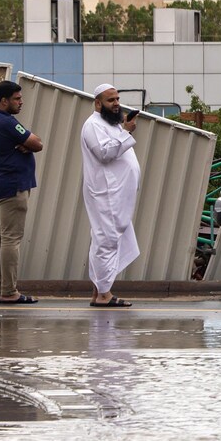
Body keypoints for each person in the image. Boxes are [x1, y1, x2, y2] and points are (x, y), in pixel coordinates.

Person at [80, 84, 140, 308]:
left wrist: (123, 130)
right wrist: (127, 132)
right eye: (110, 100)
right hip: (105, 193)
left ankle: (98, 292)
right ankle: (104, 294)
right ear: (98, 103)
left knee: (105, 240)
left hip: (115, 195)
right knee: (106, 241)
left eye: (117, 99)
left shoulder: (111, 124)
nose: (116, 104)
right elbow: (104, 153)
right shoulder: (92, 125)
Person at [0, 80, 43, 304]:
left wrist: (26, 144)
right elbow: (37, 143)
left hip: (0, 183)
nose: (21, 102)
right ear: (4, 101)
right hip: (13, 185)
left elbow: (30, 142)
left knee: (1, 240)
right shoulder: (7, 121)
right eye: (17, 99)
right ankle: (9, 292)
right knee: (11, 239)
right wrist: (28, 145)